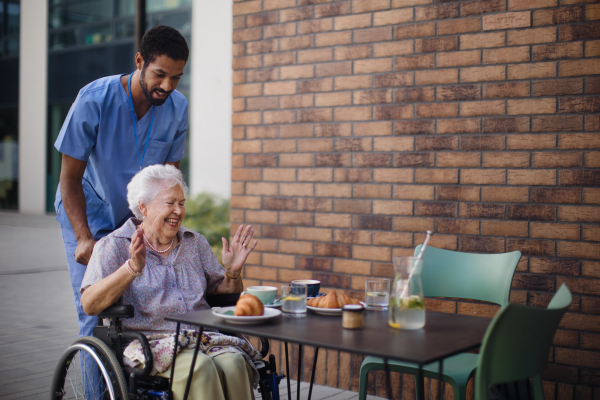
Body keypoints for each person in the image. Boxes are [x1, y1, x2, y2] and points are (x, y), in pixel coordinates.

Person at [54, 25, 189, 344]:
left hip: (136, 219)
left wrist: (166, 234)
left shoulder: (178, 108)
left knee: (141, 308)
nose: (167, 86)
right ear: (139, 61)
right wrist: (84, 237)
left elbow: (169, 186)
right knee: (97, 311)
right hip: (90, 213)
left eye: (176, 77)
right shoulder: (94, 99)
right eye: (160, 74)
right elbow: (69, 179)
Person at [81, 164, 259, 400]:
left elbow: (223, 294)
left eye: (182, 203)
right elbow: (90, 304)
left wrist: (232, 273)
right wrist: (132, 268)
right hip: (152, 342)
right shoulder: (114, 245)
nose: (178, 210)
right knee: (200, 368)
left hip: (203, 336)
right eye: (170, 203)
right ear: (143, 206)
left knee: (236, 363)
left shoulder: (194, 242)